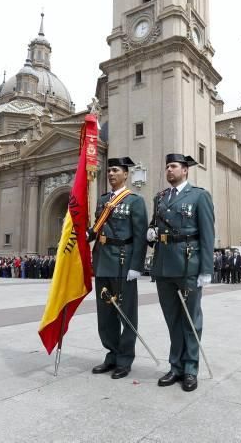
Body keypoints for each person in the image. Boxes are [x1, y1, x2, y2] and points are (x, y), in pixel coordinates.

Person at [147, 153, 214, 392]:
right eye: (166, 167)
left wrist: (206, 269)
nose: (169, 170)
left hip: (188, 265)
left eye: (173, 166)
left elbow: (207, 234)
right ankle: (175, 366)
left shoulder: (199, 196)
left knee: (191, 320)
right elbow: (155, 224)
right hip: (164, 265)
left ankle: (190, 369)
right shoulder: (160, 198)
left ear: (185, 170)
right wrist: (151, 232)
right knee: (172, 320)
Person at [88, 157, 148, 380]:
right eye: (109, 170)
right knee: (106, 314)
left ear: (126, 174)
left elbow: (140, 236)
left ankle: (125, 359)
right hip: (103, 261)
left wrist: (136, 266)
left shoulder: (135, 201)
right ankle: (111, 354)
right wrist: (87, 233)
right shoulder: (103, 200)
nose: (111, 174)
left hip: (124, 263)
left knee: (126, 313)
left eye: (116, 171)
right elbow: (97, 227)